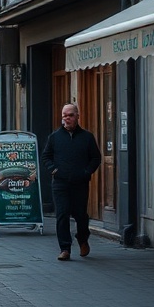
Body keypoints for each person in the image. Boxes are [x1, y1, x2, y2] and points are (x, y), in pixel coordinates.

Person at [41, 103, 101, 261]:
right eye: (64, 115)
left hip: (80, 183)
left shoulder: (87, 137)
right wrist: (54, 170)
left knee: (81, 215)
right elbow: (46, 157)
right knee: (62, 214)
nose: (67, 118)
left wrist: (86, 172)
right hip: (60, 183)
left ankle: (82, 239)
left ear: (77, 116)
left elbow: (96, 158)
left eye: (70, 115)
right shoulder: (54, 137)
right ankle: (65, 248)